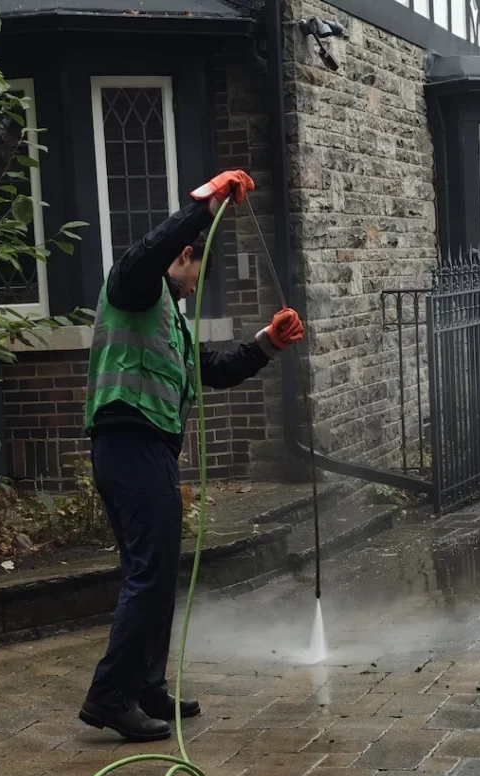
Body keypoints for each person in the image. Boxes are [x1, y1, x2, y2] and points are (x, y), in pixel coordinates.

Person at [79, 170, 305, 741]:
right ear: (186, 255)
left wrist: (266, 344)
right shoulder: (134, 289)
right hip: (127, 441)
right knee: (150, 572)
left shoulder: (169, 324)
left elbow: (214, 369)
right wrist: (204, 205)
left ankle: (146, 684)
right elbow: (145, 253)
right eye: (196, 270)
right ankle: (109, 694)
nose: (193, 285)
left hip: (148, 448)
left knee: (154, 572)